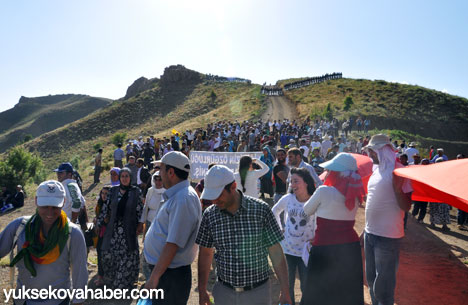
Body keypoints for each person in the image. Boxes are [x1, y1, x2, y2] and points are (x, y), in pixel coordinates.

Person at [196, 165, 292, 305]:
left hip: (258, 293)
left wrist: (285, 289)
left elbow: (275, 251)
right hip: (224, 292)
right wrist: (202, 289)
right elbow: (205, 253)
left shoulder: (261, 210)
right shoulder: (210, 215)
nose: (215, 201)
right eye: (212, 196)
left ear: (233, 186)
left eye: (219, 195)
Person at [0, 180, 88, 305]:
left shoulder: (72, 233)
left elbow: (80, 271)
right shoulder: (20, 227)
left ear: (63, 202)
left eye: (54, 207)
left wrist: (79, 301)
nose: (50, 213)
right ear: (36, 201)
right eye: (45, 206)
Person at [300, 153, 365, 305]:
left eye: (330, 171)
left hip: (325, 248)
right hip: (349, 248)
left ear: (336, 173)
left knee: (318, 292)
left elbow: (306, 211)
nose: (327, 173)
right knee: (345, 292)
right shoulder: (355, 195)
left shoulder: (324, 191)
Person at [143, 151, 201, 305]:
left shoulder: (183, 199)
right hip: (166, 273)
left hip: (170, 277)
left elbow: (173, 244)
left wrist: (154, 278)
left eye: (161, 169)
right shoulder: (178, 196)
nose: (158, 174)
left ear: (171, 172)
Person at [363, 134, 413, 305]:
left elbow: (407, 207)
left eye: (371, 151)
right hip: (370, 233)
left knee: (384, 286)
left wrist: (398, 190)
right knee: (371, 279)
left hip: (388, 237)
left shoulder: (398, 172)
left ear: (381, 150)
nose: (369, 154)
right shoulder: (376, 171)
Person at [272, 168, 317, 305]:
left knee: (306, 286)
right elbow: (274, 211)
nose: (292, 185)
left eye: (296, 181)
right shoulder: (288, 199)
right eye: (291, 181)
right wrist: (280, 229)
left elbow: (322, 220)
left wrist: (317, 237)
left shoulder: (315, 201)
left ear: (306, 183)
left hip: (306, 252)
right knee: (287, 286)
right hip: (287, 250)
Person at [97, 168, 144, 288]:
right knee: (110, 254)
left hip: (128, 229)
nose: (124, 178)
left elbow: (139, 210)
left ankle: (123, 282)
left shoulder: (135, 191)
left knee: (127, 255)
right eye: (122, 176)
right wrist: (99, 223)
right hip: (113, 230)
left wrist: (140, 224)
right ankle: (114, 279)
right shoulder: (113, 191)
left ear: (130, 178)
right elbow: (105, 208)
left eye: (126, 176)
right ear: (119, 178)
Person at [93, 185, 110, 287]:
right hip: (100, 233)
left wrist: (99, 221)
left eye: (106, 194)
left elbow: (107, 220)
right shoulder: (100, 204)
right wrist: (96, 221)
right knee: (99, 253)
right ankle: (100, 276)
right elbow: (98, 217)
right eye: (102, 193)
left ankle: (104, 276)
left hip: (108, 233)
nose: (104, 196)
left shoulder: (111, 205)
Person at [140, 171, 165, 238]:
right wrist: (141, 222)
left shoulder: (167, 192)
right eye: (156, 180)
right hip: (150, 221)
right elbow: (146, 207)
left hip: (162, 224)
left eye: (160, 180)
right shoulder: (150, 190)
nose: (158, 182)